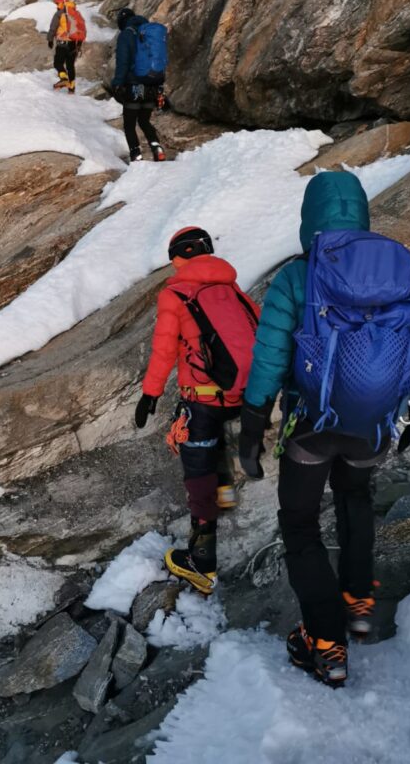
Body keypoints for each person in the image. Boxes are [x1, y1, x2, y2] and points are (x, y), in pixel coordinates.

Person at [238, 171, 410, 687]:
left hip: (313, 424)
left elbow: (270, 358)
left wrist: (253, 425)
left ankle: (326, 643)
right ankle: (358, 601)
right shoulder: (394, 269)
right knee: (355, 497)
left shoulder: (297, 277)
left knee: (300, 523)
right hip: (372, 426)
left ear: (309, 218)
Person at [135, 227, 260, 594]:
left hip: (202, 399)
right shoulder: (232, 289)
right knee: (216, 439)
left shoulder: (175, 294)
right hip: (243, 394)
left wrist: (150, 394)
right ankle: (225, 491)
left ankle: (201, 562)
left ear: (177, 259)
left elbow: (164, 350)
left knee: (197, 471)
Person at [111, 7, 166, 162]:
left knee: (129, 124)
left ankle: (136, 155)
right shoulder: (148, 33)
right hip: (152, 85)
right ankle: (157, 147)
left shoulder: (126, 34)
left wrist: (117, 83)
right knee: (144, 120)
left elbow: (123, 62)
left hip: (134, 86)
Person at [47, 0, 85, 94]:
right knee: (70, 65)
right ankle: (71, 87)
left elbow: (53, 28)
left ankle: (64, 79)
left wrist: (50, 40)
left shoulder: (59, 13)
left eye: (57, 3)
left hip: (63, 42)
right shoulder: (76, 14)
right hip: (74, 43)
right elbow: (81, 29)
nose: (56, 5)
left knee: (58, 63)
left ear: (61, 3)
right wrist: (79, 44)